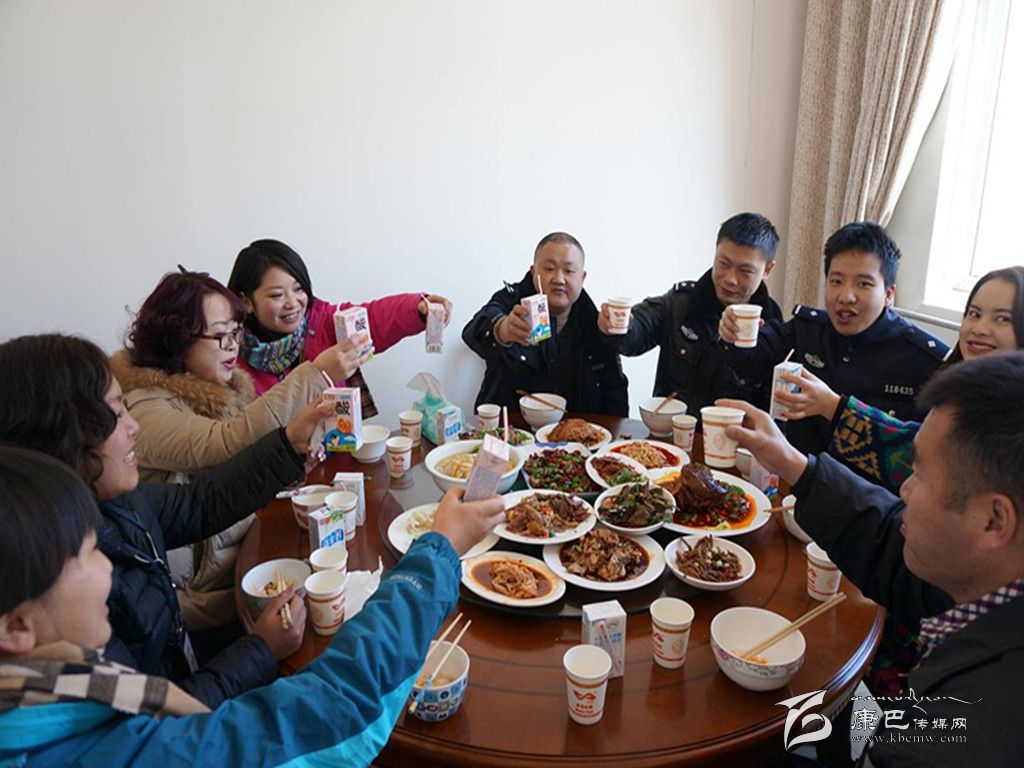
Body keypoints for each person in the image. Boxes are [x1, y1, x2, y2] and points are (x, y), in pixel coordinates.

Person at [0, 446, 505, 767]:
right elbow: (329, 709)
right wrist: (438, 551)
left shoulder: (58, 697)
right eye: (92, 553)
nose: (109, 569)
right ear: (17, 626)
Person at [716, 352, 1024, 766]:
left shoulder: (963, 740)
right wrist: (795, 465)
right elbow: (890, 547)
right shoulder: (987, 576)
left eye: (920, 475)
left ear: (993, 519)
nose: (905, 490)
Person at [0, 334, 326, 708]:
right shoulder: (62, 582)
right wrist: (261, 649)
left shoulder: (116, 501)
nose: (134, 426)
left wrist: (288, 445)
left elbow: (200, 503)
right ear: (61, 436)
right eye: (116, 413)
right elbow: (152, 718)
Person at [111, 270, 360, 634]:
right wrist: (316, 374)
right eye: (221, 335)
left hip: (239, 567)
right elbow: (226, 443)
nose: (233, 345)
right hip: (198, 607)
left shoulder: (219, 388)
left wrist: (290, 462)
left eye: (235, 332)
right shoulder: (145, 408)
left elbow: (236, 472)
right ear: (176, 339)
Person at [777, 265, 1024, 493]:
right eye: (974, 313)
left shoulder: (1008, 421)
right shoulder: (958, 390)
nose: (980, 328)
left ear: (888, 293)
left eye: (1002, 318)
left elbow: (919, 457)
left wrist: (832, 407)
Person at [720, 221, 949, 455]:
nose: (845, 296)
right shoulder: (808, 329)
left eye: (863, 284)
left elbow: (924, 450)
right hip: (796, 472)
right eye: (836, 281)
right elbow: (752, 362)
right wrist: (734, 334)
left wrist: (833, 407)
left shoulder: (926, 360)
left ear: (888, 294)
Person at [227, 238, 452, 417]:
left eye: (299, 289)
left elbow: (374, 318)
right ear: (246, 302)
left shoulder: (323, 321)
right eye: (277, 295)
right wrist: (317, 373)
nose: (292, 303)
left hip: (340, 452)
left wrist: (417, 308)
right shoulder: (229, 357)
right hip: (278, 460)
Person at [599, 212, 783, 412]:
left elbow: (774, 409)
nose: (730, 279)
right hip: (671, 430)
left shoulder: (774, 327)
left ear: (767, 270)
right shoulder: (681, 303)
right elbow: (640, 329)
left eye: (745, 271)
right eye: (723, 263)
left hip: (734, 432)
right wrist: (620, 326)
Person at [462, 231, 629, 415]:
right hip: (511, 428)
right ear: (534, 271)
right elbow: (473, 332)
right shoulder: (512, 302)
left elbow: (615, 393)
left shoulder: (595, 324)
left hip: (579, 431)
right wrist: (503, 330)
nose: (559, 279)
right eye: (549, 269)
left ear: (582, 278)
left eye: (568, 271)